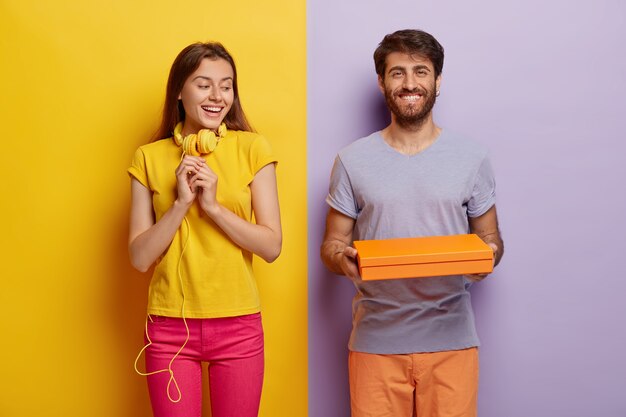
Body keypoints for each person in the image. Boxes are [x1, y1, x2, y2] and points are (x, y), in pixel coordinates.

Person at [320, 29, 504, 417]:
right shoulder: (352, 160)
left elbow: (490, 238)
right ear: (382, 82)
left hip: (452, 340)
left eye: (421, 72)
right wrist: (344, 259)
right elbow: (332, 245)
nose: (409, 83)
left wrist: (487, 256)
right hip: (375, 342)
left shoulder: (471, 157)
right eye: (397, 72)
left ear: (437, 81)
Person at [127, 42, 281, 417]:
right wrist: (181, 204)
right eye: (204, 85)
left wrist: (211, 207)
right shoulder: (148, 157)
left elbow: (272, 246)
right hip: (169, 328)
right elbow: (139, 257)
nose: (217, 96)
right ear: (179, 91)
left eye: (226, 86)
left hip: (238, 324)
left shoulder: (253, 149)